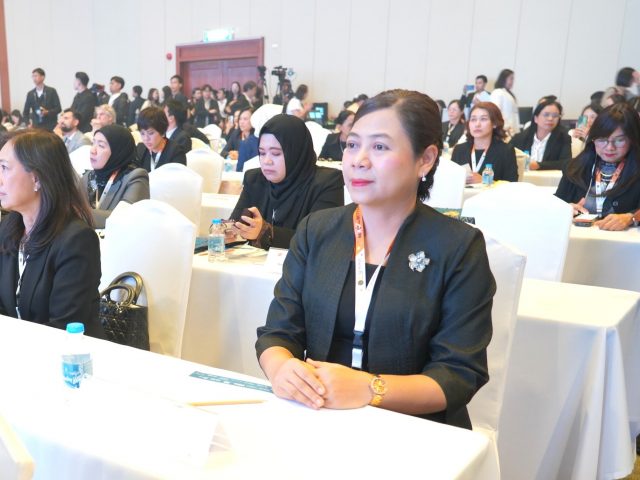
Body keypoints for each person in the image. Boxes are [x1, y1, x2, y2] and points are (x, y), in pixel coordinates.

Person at [255, 90, 494, 428]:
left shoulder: (457, 246)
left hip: (416, 429)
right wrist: (281, 367)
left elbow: (458, 374)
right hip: (319, 416)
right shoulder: (316, 230)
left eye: (379, 147)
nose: (359, 160)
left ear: (425, 159)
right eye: (352, 145)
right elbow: (278, 332)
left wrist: (370, 389)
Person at [0, 129, 104, 337]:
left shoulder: (76, 240)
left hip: (66, 354)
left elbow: (64, 327)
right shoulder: (9, 228)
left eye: (4, 168)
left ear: (37, 178)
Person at [230, 114, 344, 250]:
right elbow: (236, 225)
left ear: (296, 152)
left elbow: (319, 238)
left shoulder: (327, 182)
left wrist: (266, 232)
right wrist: (226, 232)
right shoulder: (254, 179)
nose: (267, 161)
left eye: (276, 153)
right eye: (262, 153)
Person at [555, 102, 640, 231]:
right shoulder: (574, 167)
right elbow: (555, 204)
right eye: (602, 139)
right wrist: (566, 208)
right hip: (580, 239)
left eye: (619, 140)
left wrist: (631, 217)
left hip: (624, 242)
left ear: (633, 140)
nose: (609, 147)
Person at [82, 124, 149, 228]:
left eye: (101, 146)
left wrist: (80, 214)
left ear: (118, 151)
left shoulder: (135, 177)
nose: (93, 150)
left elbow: (125, 219)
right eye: (93, 143)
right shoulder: (89, 177)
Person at [451, 102, 518, 183]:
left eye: (483, 119)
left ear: (494, 123)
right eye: (473, 119)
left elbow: (512, 185)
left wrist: (485, 181)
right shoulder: (459, 150)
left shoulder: (505, 150)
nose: (477, 124)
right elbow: (450, 181)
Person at [509, 99, 571, 170]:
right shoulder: (520, 138)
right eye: (546, 115)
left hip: (548, 177)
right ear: (536, 118)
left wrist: (539, 165)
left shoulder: (563, 138)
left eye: (555, 115)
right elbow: (507, 157)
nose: (550, 118)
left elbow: (566, 163)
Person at [136, 106, 187, 172]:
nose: (146, 138)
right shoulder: (140, 149)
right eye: (142, 133)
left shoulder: (176, 152)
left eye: (150, 133)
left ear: (162, 132)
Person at [490, 69, 519, 136]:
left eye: (513, 79)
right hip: (504, 130)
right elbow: (496, 112)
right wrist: (505, 126)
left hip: (512, 130)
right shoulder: (497, 92)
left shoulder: (508, 94)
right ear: (503, 79)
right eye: (511, 79)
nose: (512, 81)